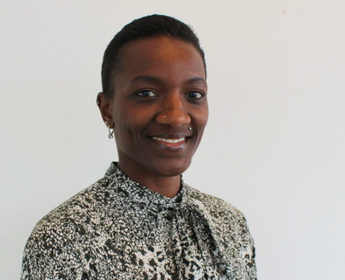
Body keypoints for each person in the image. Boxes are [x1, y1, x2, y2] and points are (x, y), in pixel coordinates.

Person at [21, 14, 257, 280]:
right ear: (107, 109)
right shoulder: (63, 239)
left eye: (194, 95)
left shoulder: (230, 225)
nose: (178, 116)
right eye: (147, 93)